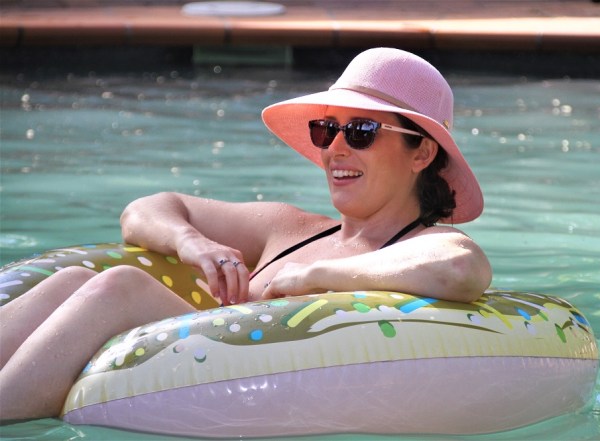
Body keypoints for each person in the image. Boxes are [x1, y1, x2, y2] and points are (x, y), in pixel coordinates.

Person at [0, 47, 491, 421]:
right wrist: (193, 243)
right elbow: (144, 211)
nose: (336, 149)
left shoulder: (417, 247)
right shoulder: (289, 227)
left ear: (421, 152)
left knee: (120, 285)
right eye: (327, 130)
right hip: (179, 371)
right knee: (72, 281)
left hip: (236, 392)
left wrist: (313, 278)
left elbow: (461, 267)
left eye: (361, 131)